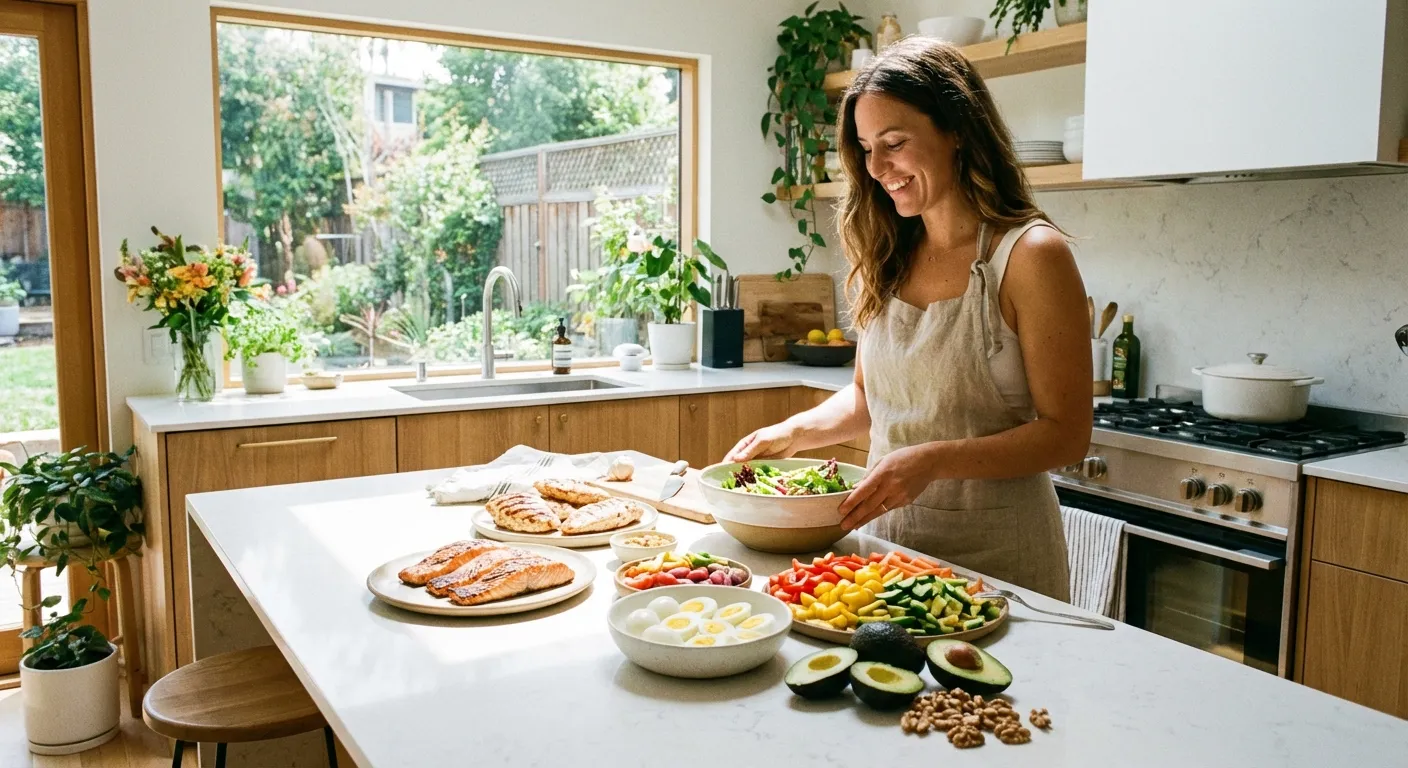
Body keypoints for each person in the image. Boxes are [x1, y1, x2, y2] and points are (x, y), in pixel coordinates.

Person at [727, 38, 1091, 600]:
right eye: (867, 148)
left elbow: (1067, 435)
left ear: (957, 131)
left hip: (1000, 563)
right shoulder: (887, 253)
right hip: (886, 551)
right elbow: (869, 400)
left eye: (895, 143)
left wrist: (934, 460)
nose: (877, 168)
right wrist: (793, 432)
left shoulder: (1029, 256)